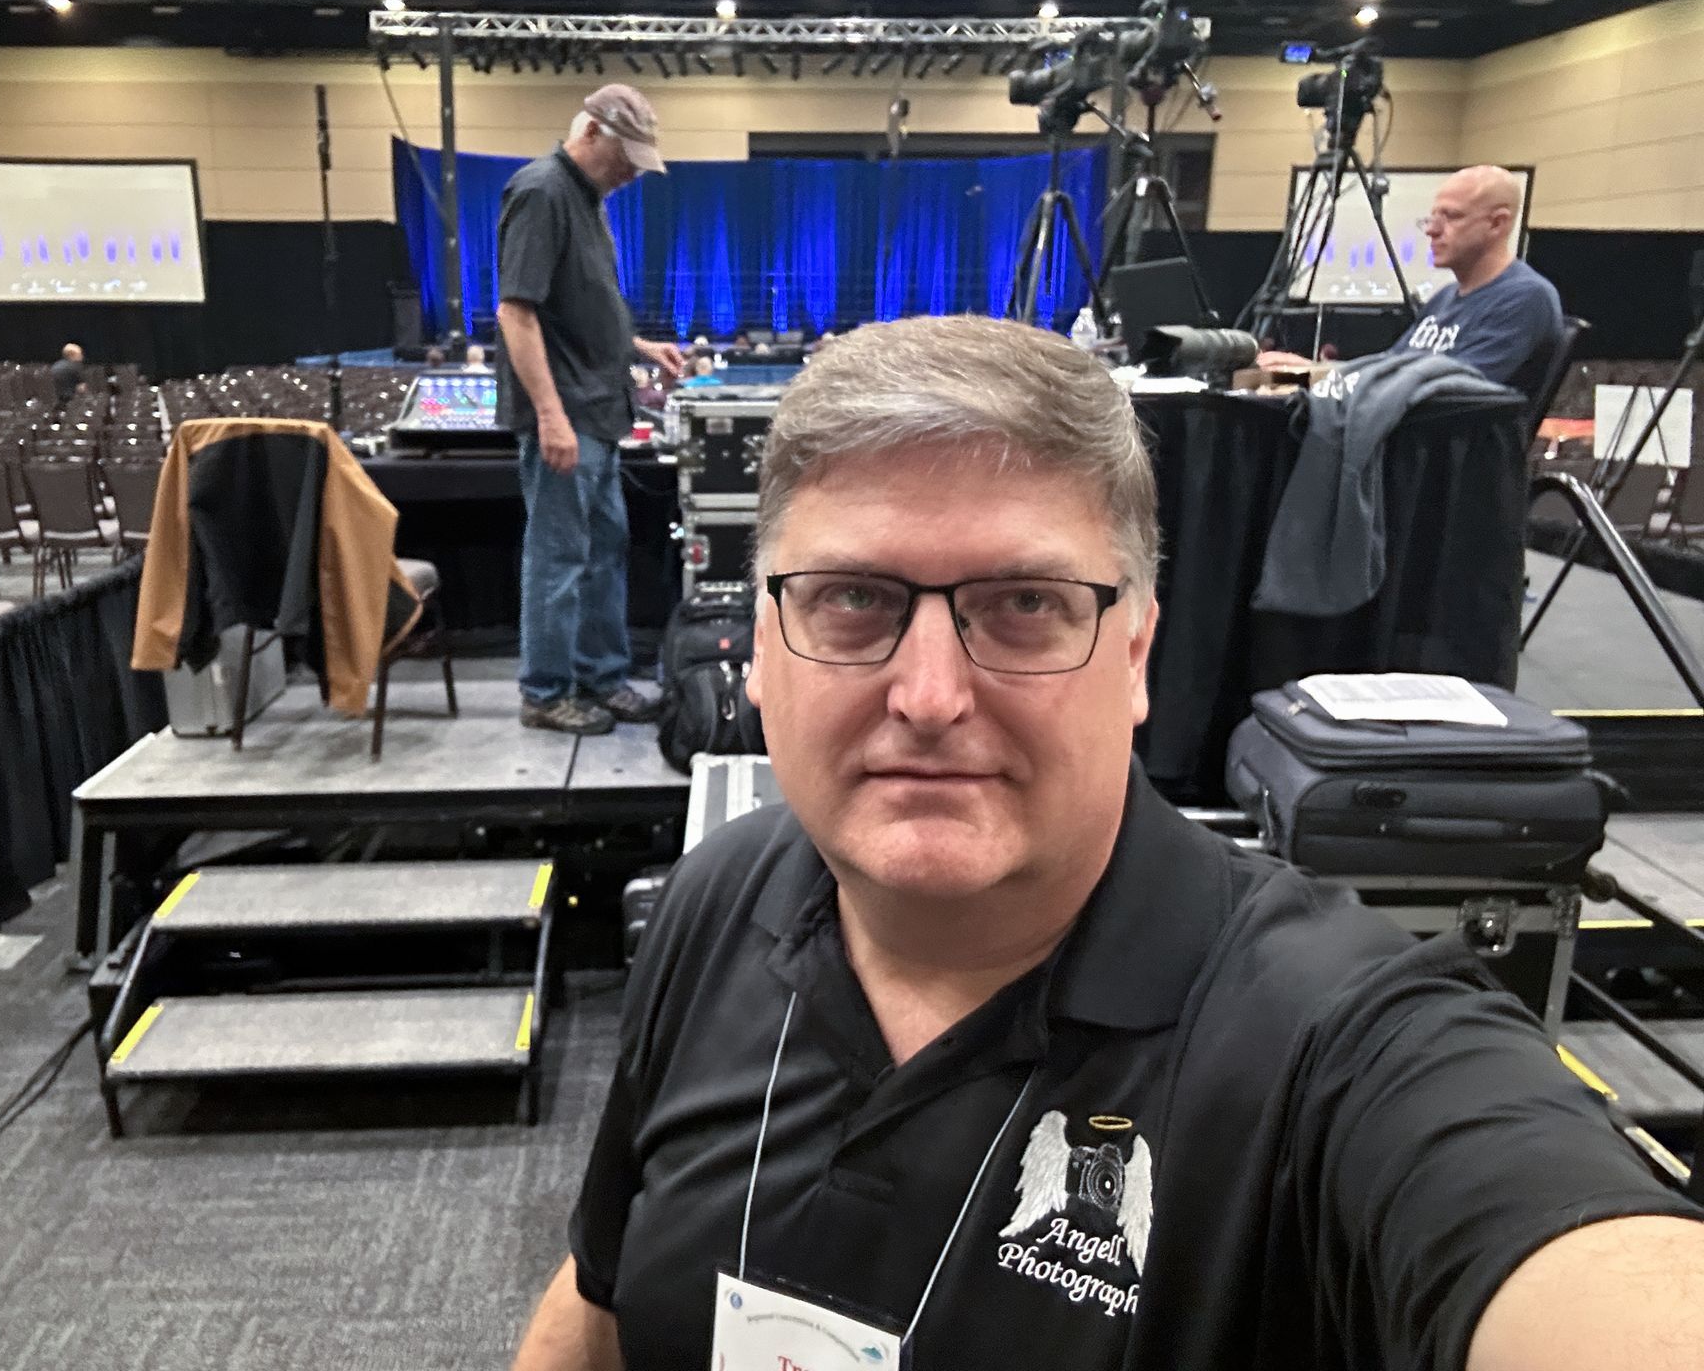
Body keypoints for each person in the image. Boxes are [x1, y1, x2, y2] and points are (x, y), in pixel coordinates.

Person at [511, 315, 1704, 1371]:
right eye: (854, 599)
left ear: (1135, 654)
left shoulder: (1331, 1045)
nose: (929, 696)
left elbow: (1578, 1260)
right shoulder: (721, 895)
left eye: (1025, 606)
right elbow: (602, 1297)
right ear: (764, 651)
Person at [495, 84, 685, 735]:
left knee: (603, 553)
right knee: (559, 557)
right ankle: (546, 692)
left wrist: (639, 346)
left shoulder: (587, 200)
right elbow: (517, 313)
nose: (633, 172)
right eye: (626, 157)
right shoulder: (541, 191)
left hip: (599, 410)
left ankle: (602, 678)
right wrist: (550, 416)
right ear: (592, 133)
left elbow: (577, 307)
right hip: (569, 412)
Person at [1261, 166, 1562, 399]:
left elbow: (1449, 394)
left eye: (1451, 217)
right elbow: (1389, 367)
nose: (1431, 230)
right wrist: (1313, 371)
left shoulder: (1525, 299)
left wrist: (1325, 378)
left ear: (1497, 223)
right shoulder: (1445, 298)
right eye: (1432, 217)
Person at [50, 342, 85, 406]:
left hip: (55, 400)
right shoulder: (76, 367)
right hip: (72, 401)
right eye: (79, 354)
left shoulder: (55, 366)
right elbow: (81, 388)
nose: (81, 356)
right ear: (73, 355)